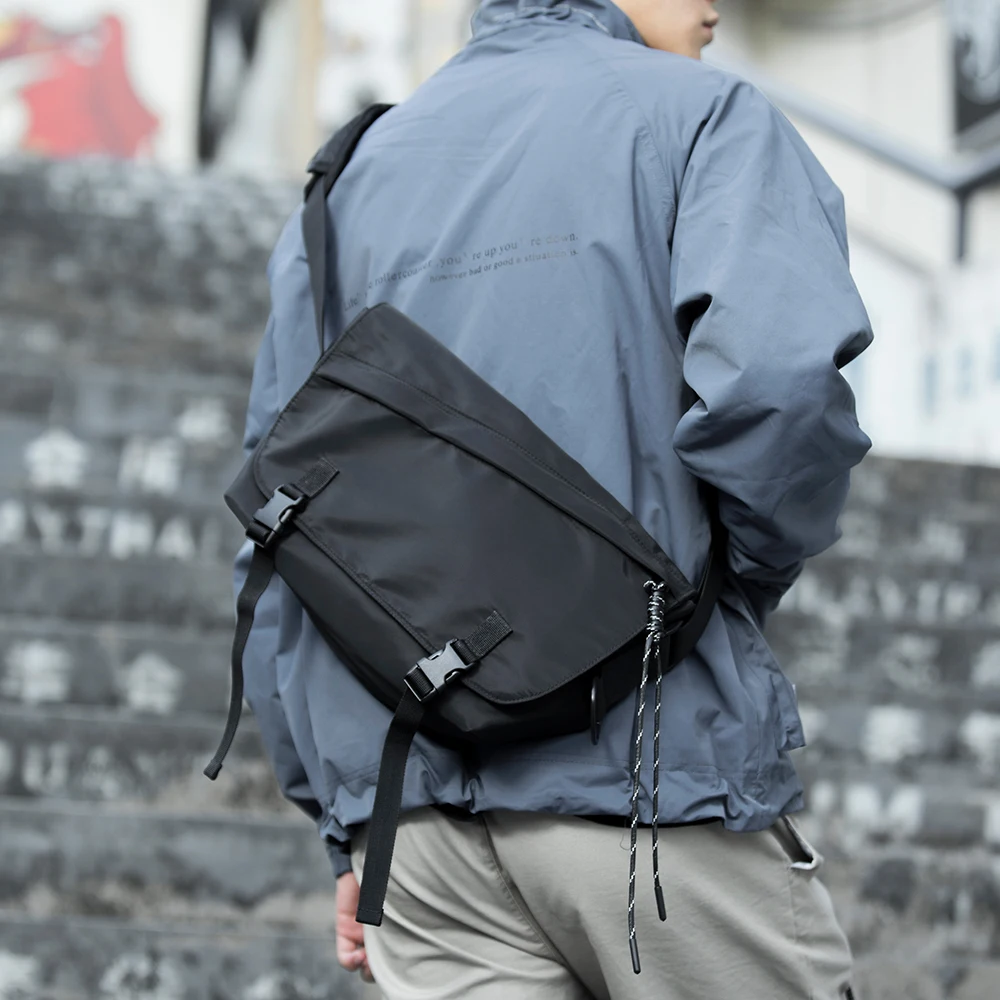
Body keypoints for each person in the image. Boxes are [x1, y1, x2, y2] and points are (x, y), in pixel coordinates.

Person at [235, 1, 872, 996]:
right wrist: (710, 591)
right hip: (649, 780)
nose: (714, 5)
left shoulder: (346, 176)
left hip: (416, 828)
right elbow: (782, 391)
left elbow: (280, 519)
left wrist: (343, 818)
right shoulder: (700, 116)